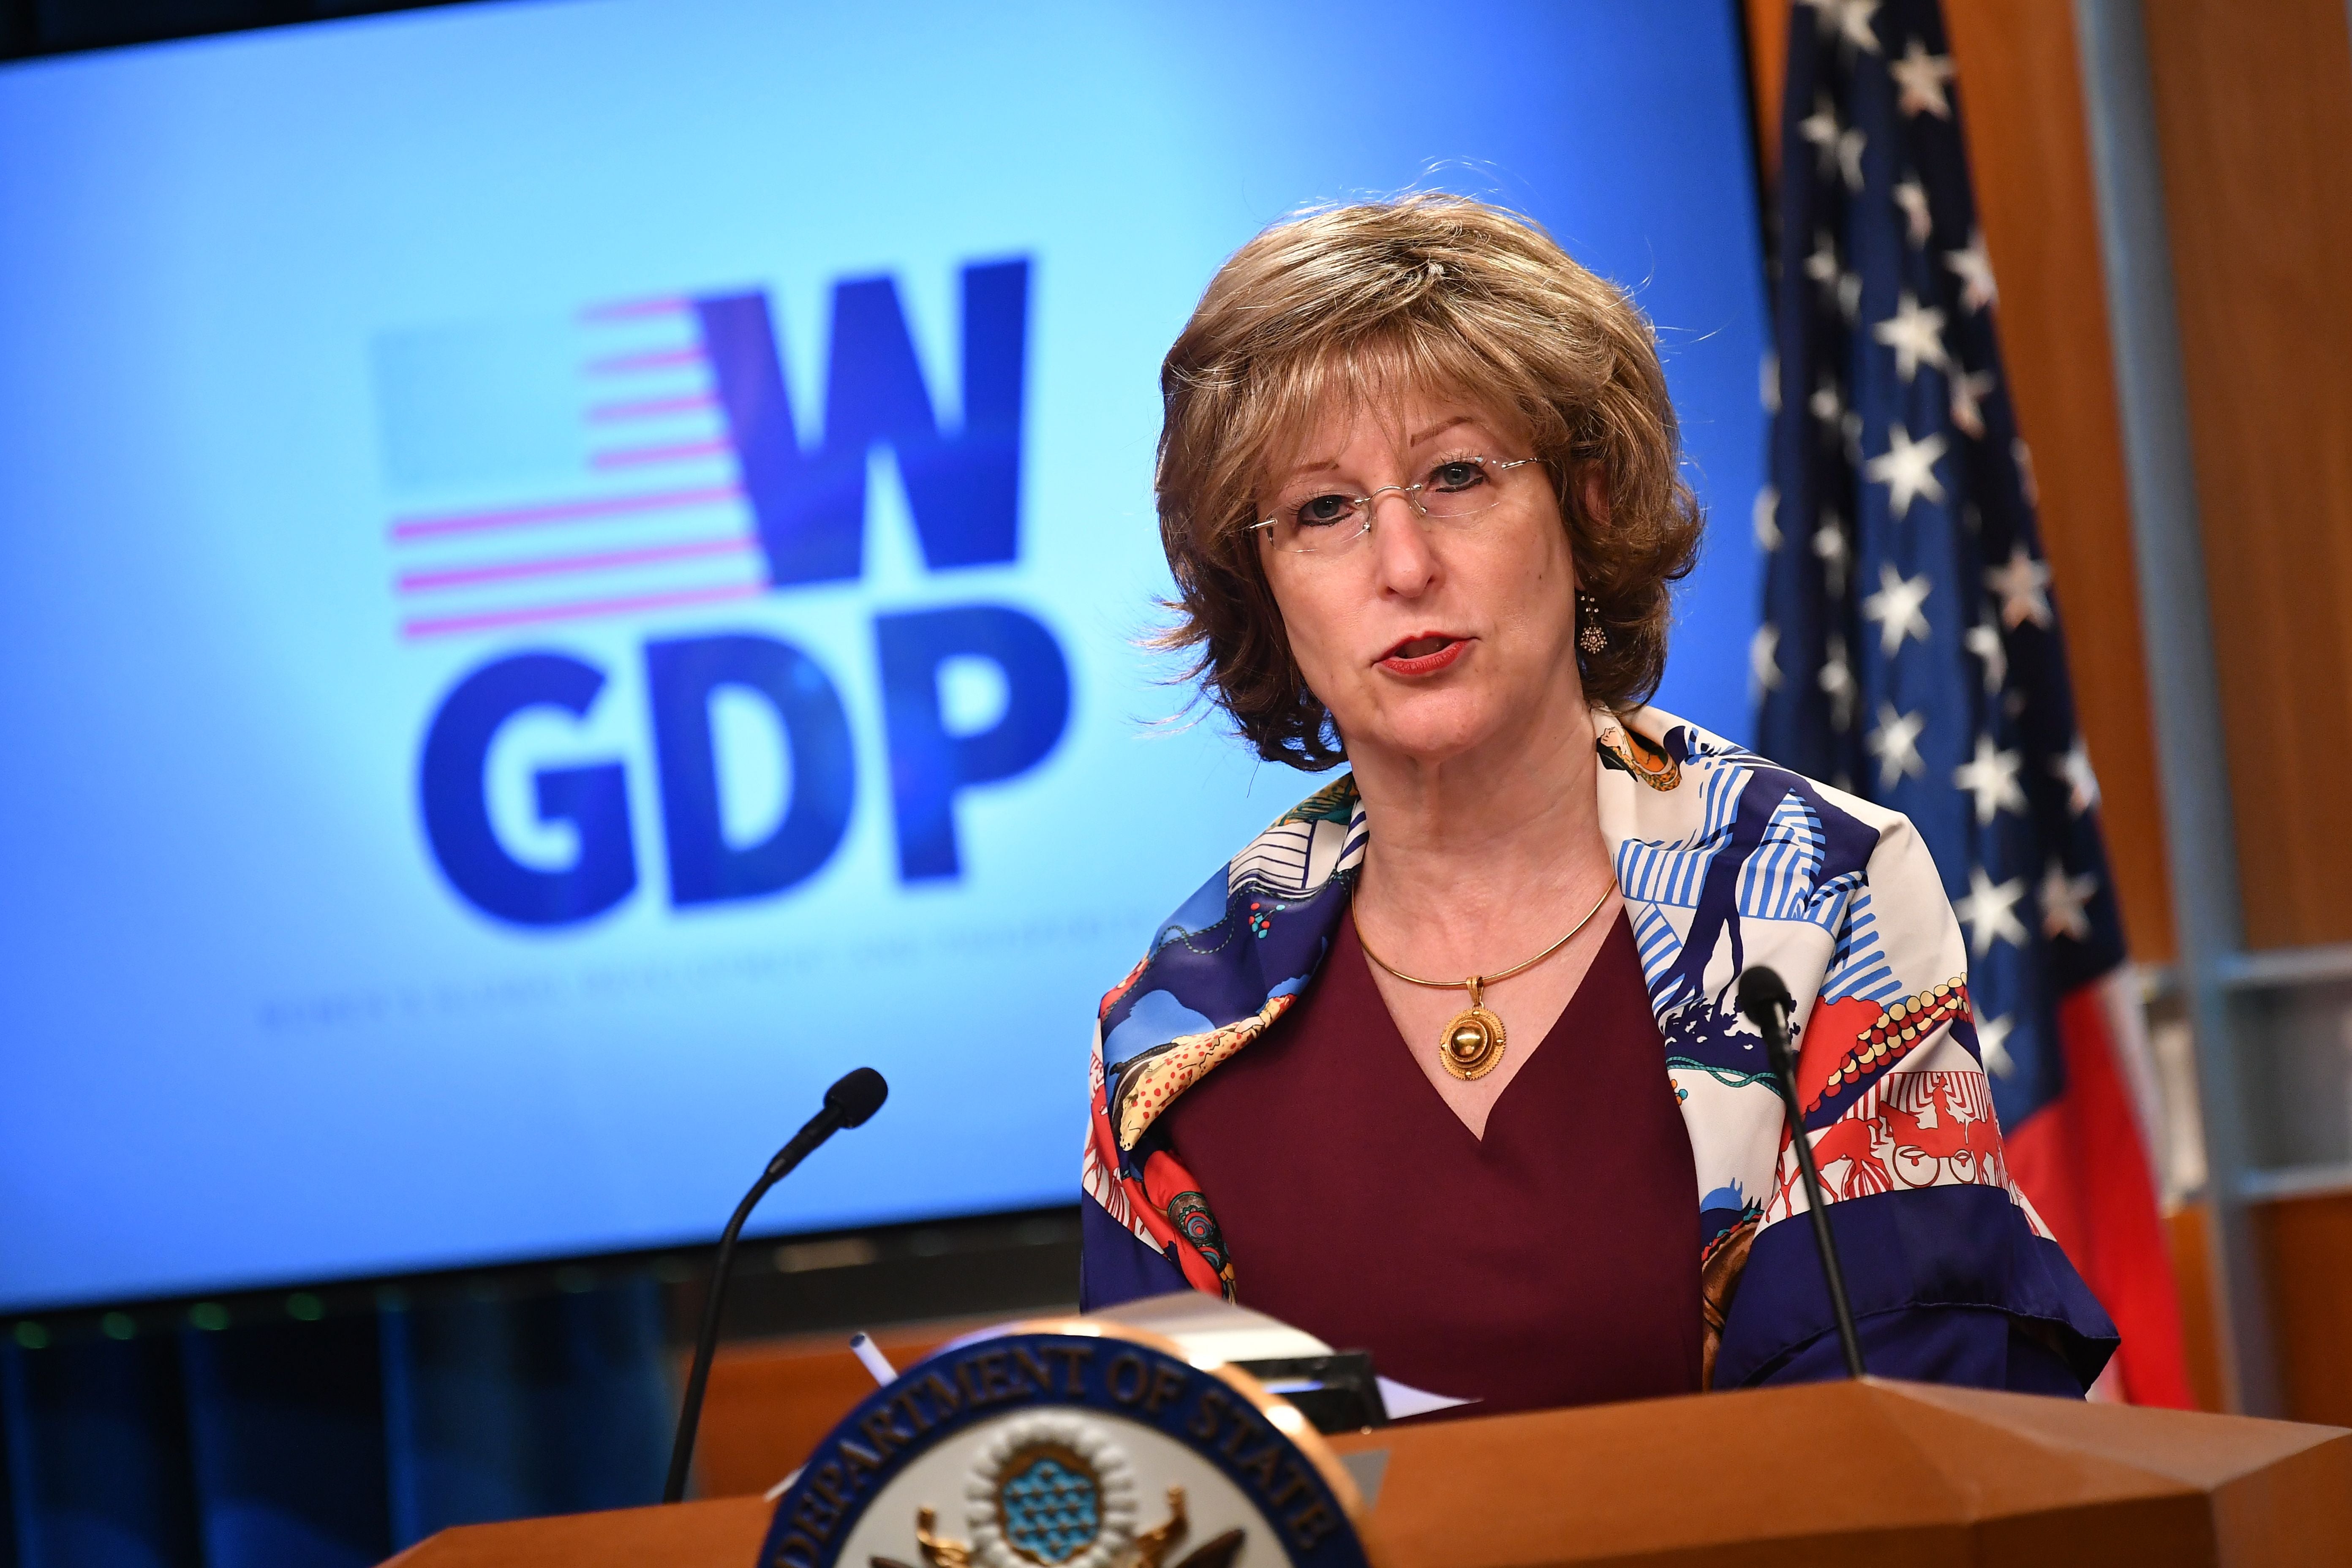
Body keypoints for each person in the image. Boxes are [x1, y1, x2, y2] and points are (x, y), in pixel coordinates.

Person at [1078, 195, 2115, 1413]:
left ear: (1589, 503)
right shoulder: (1186, 1017)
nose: (1402, 566)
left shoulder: (1816, 893)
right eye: (1322, 511)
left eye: (1456, 476)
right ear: (1266, 586)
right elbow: (1165, 1494)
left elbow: (1907, 1435)